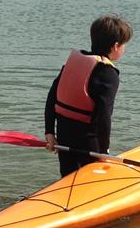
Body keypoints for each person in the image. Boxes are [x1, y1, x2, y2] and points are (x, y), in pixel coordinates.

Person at [44, 15, 133, 176]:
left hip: (63, 134)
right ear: (116, 46)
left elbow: (52, 97)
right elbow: (104, 116)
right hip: (88, 142)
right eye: (124, 44)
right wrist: (104, 151)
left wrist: (49, 132)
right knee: (91, 181)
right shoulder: (108, 74)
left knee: (68, 178)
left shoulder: (71, 64)